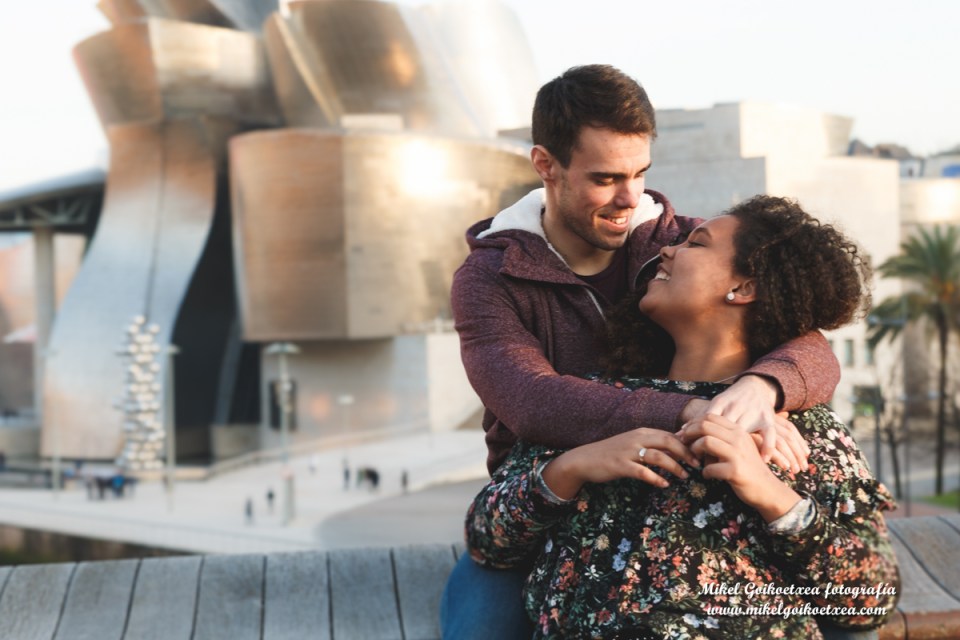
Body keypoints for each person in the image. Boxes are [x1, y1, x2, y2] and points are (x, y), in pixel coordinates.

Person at [442, 64, 839, 638]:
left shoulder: (683, 245)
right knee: (479, 631)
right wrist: (687, 410)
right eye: (606, 178)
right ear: (545, 165)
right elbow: (531, 399)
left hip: (692, 500)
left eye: (640, 172)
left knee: (857, 615)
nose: (631, 198)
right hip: (548, 504)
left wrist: (763, 385)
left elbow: (809, 340)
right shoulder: (489, 278)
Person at [466, 196, 900, 639]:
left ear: (744, 288)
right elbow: (486, 540)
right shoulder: (591, 406)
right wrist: (571, 469)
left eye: (697, 244)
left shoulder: (797, 429)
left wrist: (770, 494)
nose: (667, 250)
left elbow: (871, 601)